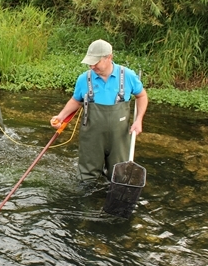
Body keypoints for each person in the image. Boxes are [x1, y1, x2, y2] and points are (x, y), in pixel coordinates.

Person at [50, 39, 148, 182]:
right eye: (90, 62)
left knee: (119, 175)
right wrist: (61, 116)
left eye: (96, 62)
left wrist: (138, 120)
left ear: (109, 57)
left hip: (119, 136)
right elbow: (75, 101)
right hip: (92, 136)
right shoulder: (84, 79)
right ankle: (87, 201)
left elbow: (142, 96)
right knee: (87, 178)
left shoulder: (127, 75)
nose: (92, 65)